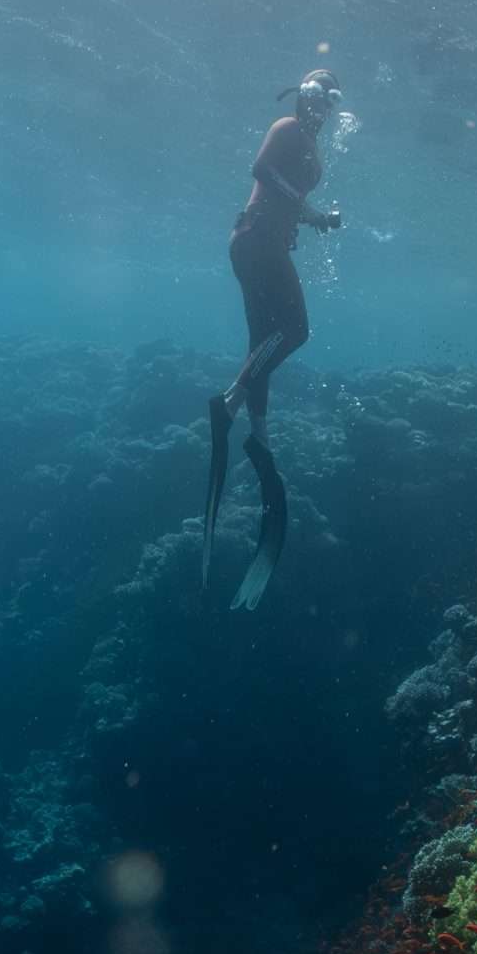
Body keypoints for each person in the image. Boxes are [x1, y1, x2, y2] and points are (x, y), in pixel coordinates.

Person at [202, 67, 345, 609]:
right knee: (297, 331)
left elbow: (287, 196)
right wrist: (305, 211)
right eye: (315, 97)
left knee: (263, 340)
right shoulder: (286, 127)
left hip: (262, 241)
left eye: (327, 103)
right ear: (302, 96)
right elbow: (261, 168)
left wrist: (316, 221)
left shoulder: (312, 146)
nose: (319, 110)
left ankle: (257, 429)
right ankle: (233, 401)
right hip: (258, 240)